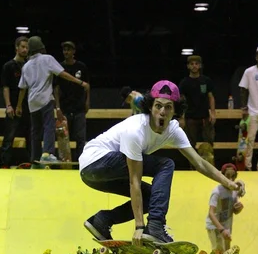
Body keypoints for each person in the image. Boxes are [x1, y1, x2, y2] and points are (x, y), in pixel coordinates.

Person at [80, 80, 244, 245]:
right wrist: (139, 226)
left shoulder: (174, 130)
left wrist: (228, 183)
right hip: (96, 161)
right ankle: (156, 226)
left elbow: (199, 163)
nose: (162, 112)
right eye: (158, 106)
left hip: (93, 176)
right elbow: (134, 180)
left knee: (151, 197)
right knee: (165, 165)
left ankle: (102, 220)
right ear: (150, 108)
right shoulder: (136, 131)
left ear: (175, 111)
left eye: (168, 107)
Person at [15, 36, 89, 165]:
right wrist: (80, 82)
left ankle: (35, 158)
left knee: (35, 131)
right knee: (48, 126)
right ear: (41, 47)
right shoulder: (47, 59)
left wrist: (19, 106)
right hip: (45, 99)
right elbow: (62, 74)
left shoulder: (26, 66)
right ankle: (47, 154)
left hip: (32, 102)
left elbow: (22, 88)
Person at [54, 41, 90, 160]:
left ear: (74, 51)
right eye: (64, 50)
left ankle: (81, 161)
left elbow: (87, 86)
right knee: (63, 138)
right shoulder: (59, 67)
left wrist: (87, 101)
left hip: (79, 107)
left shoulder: (81, 67)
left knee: (81, 138)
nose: (66, 52)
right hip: (64, 108)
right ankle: (65, 163)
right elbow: (56, 89)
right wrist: (57, 107)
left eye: (69, 50)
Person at [1, 36, 30, 168]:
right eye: (23, 47)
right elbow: (5, 87)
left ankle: (31, 162)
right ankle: (5, 164)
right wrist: (8, 106)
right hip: (12, 106)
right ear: (16, 48)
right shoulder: (8, 66)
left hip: (28, 106)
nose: (25, 50)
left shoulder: (29, 65)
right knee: (9, 137)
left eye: (27, 47)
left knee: (30, 136)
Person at [178, 55, 216, 151]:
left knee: (209, 143)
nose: (194, 66)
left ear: (200, 66)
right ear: (188, 66)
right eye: (192, 64)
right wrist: (181, 118)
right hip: (190, 118)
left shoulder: (206, 80)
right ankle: (193, 166)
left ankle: (208, 164)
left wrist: (213, 113)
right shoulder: (184, 83)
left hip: (205, 117)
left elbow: (211, 97)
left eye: (196, 64)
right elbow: (181, 101)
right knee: (190, 145)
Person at [206, 163, 244, 251]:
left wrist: (239, 208)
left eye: (233, 176)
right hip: (215, 227)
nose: (230, 179)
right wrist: (221, 230)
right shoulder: (217, 192)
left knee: (227, 251)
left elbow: (233, 210)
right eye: (227, 176)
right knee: (218, 252)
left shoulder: (234, 191)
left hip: (226, 225)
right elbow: (211, 213)